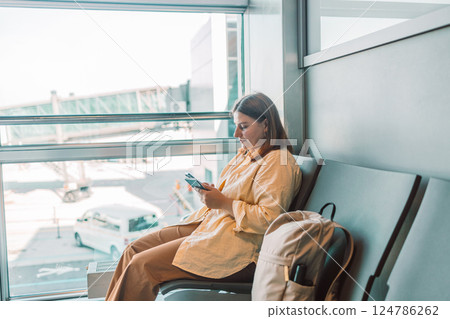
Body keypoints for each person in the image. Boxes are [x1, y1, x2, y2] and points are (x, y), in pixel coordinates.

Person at [105, 92, 302, 301]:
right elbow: (238, 195)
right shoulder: (246, 154)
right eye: (236, 126)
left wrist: (223, 202)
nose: (236, 134)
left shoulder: (278, 162)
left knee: (140, 265)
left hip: (238, 247)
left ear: (266, 124)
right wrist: (213, 195)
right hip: (212, 225)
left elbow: (269, 219)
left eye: (243, 126)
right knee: (132, 250)